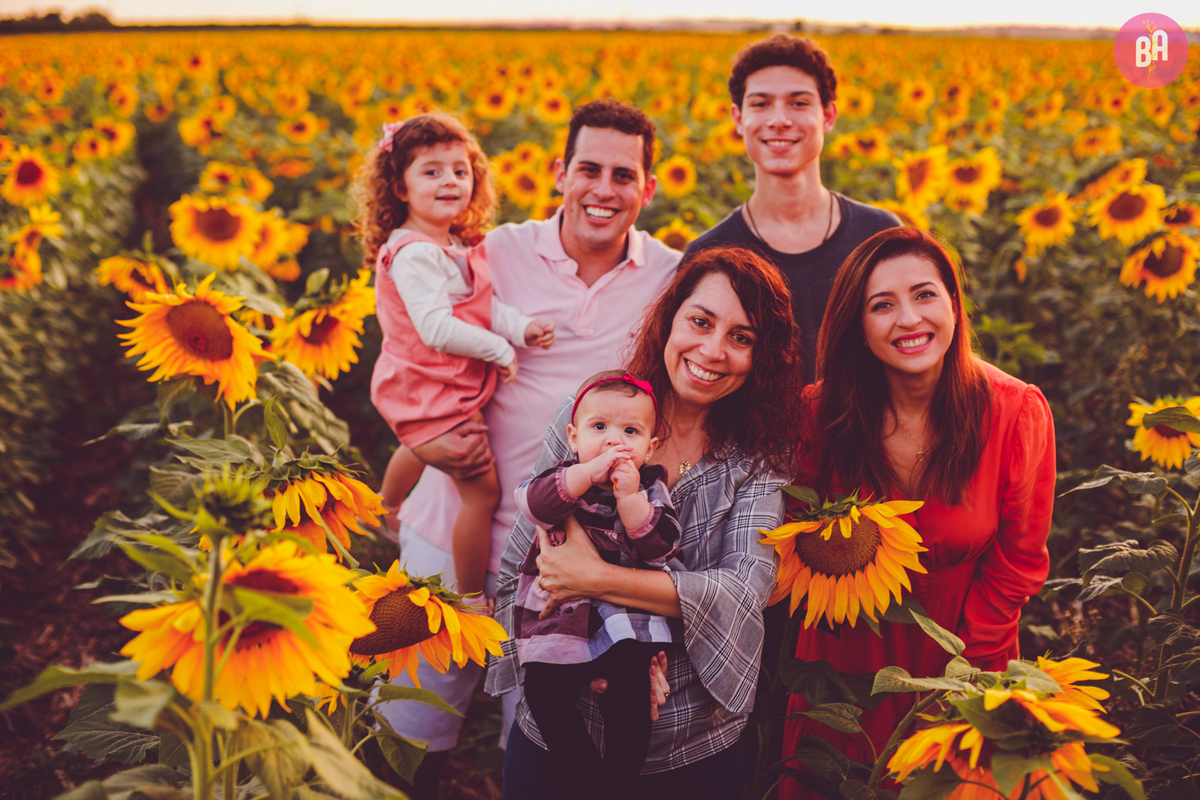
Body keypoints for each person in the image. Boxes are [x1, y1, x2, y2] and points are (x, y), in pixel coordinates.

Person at [377, 99, 682, 798]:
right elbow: (411, 327)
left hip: (569, 565)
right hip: (450, 524)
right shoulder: (498, 251)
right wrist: (415, 440)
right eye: (588, 169)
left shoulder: (670, 276)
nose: (603, 190)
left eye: (623, 175)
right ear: (559, 174)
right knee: (405, 733)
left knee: (542, 744)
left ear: (649, 188)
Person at [490, 245, 806, 798]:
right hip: (563, 721)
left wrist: (598, 582)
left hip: (690, 742)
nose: (712, 350)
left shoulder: (759, 457)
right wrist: (594, 657)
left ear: (762, 356)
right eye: (701, 322)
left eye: (742, 337)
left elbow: (745, 587)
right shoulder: (593, 413)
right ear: (670, 319)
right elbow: (526, 556)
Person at [778, 227, 1056, 799]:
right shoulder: (817, 415)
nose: (909, 319)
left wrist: (963, 680)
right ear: (858, 325)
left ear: (954, 303)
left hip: (965, 653)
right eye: (882, 305)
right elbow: (787, 541)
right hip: (842, 664)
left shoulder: (1015, 412)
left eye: (925, 294)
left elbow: (1018, 564)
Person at [359, 112, 556, 605]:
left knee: (422, 440)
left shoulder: (453, 245)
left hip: (439, 384)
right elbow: (437, 328)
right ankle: (471, 597)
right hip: (431, 382)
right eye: (431, 171)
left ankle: (384, 506)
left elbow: (481, 306)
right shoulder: (415, 253)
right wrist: (499, 348)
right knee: (481, 493)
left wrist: (519, 328)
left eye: (460, 170)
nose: (450, 180)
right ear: (400, 188)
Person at [684, 33, 900, 382]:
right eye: (761, 104)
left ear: (828, 116)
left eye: (799, 103)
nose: (779, 120)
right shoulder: (710, 252)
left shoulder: (878, 235)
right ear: (738, 119)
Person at [514, 370, 682, 795]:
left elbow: (660, 547)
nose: (613, 441)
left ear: (649, 447)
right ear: (573, 436)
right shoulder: (564, 476)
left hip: (625, 623)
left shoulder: (649, 487)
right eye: (599, 427)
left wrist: (630, 501)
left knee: (631, 696)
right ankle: (587, 778)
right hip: (561, 620)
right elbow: (534, 505)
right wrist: (585, 474)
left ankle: (619, 784)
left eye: (630, 431)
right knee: (543, 689)